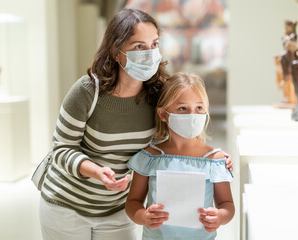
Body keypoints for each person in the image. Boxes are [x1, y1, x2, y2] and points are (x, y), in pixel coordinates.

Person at [39, 8, 232, 240]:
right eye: (139, 46)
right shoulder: (87, 91)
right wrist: (97, 172)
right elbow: (62, 149)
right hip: (67, 205)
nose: (150, 53)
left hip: (118, 208)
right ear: (116, 52)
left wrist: (215, 157)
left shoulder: (158, 94)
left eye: (154, 44)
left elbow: (181, 127)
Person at [125, 72, 234, 240]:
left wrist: (219, 217)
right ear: (163, 114)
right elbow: (133, 203)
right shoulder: (149, 158)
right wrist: (144, 216)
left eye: (199, 108)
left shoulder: (215, 160)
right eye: (182, 108)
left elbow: (227, 205)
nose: (192, 115)